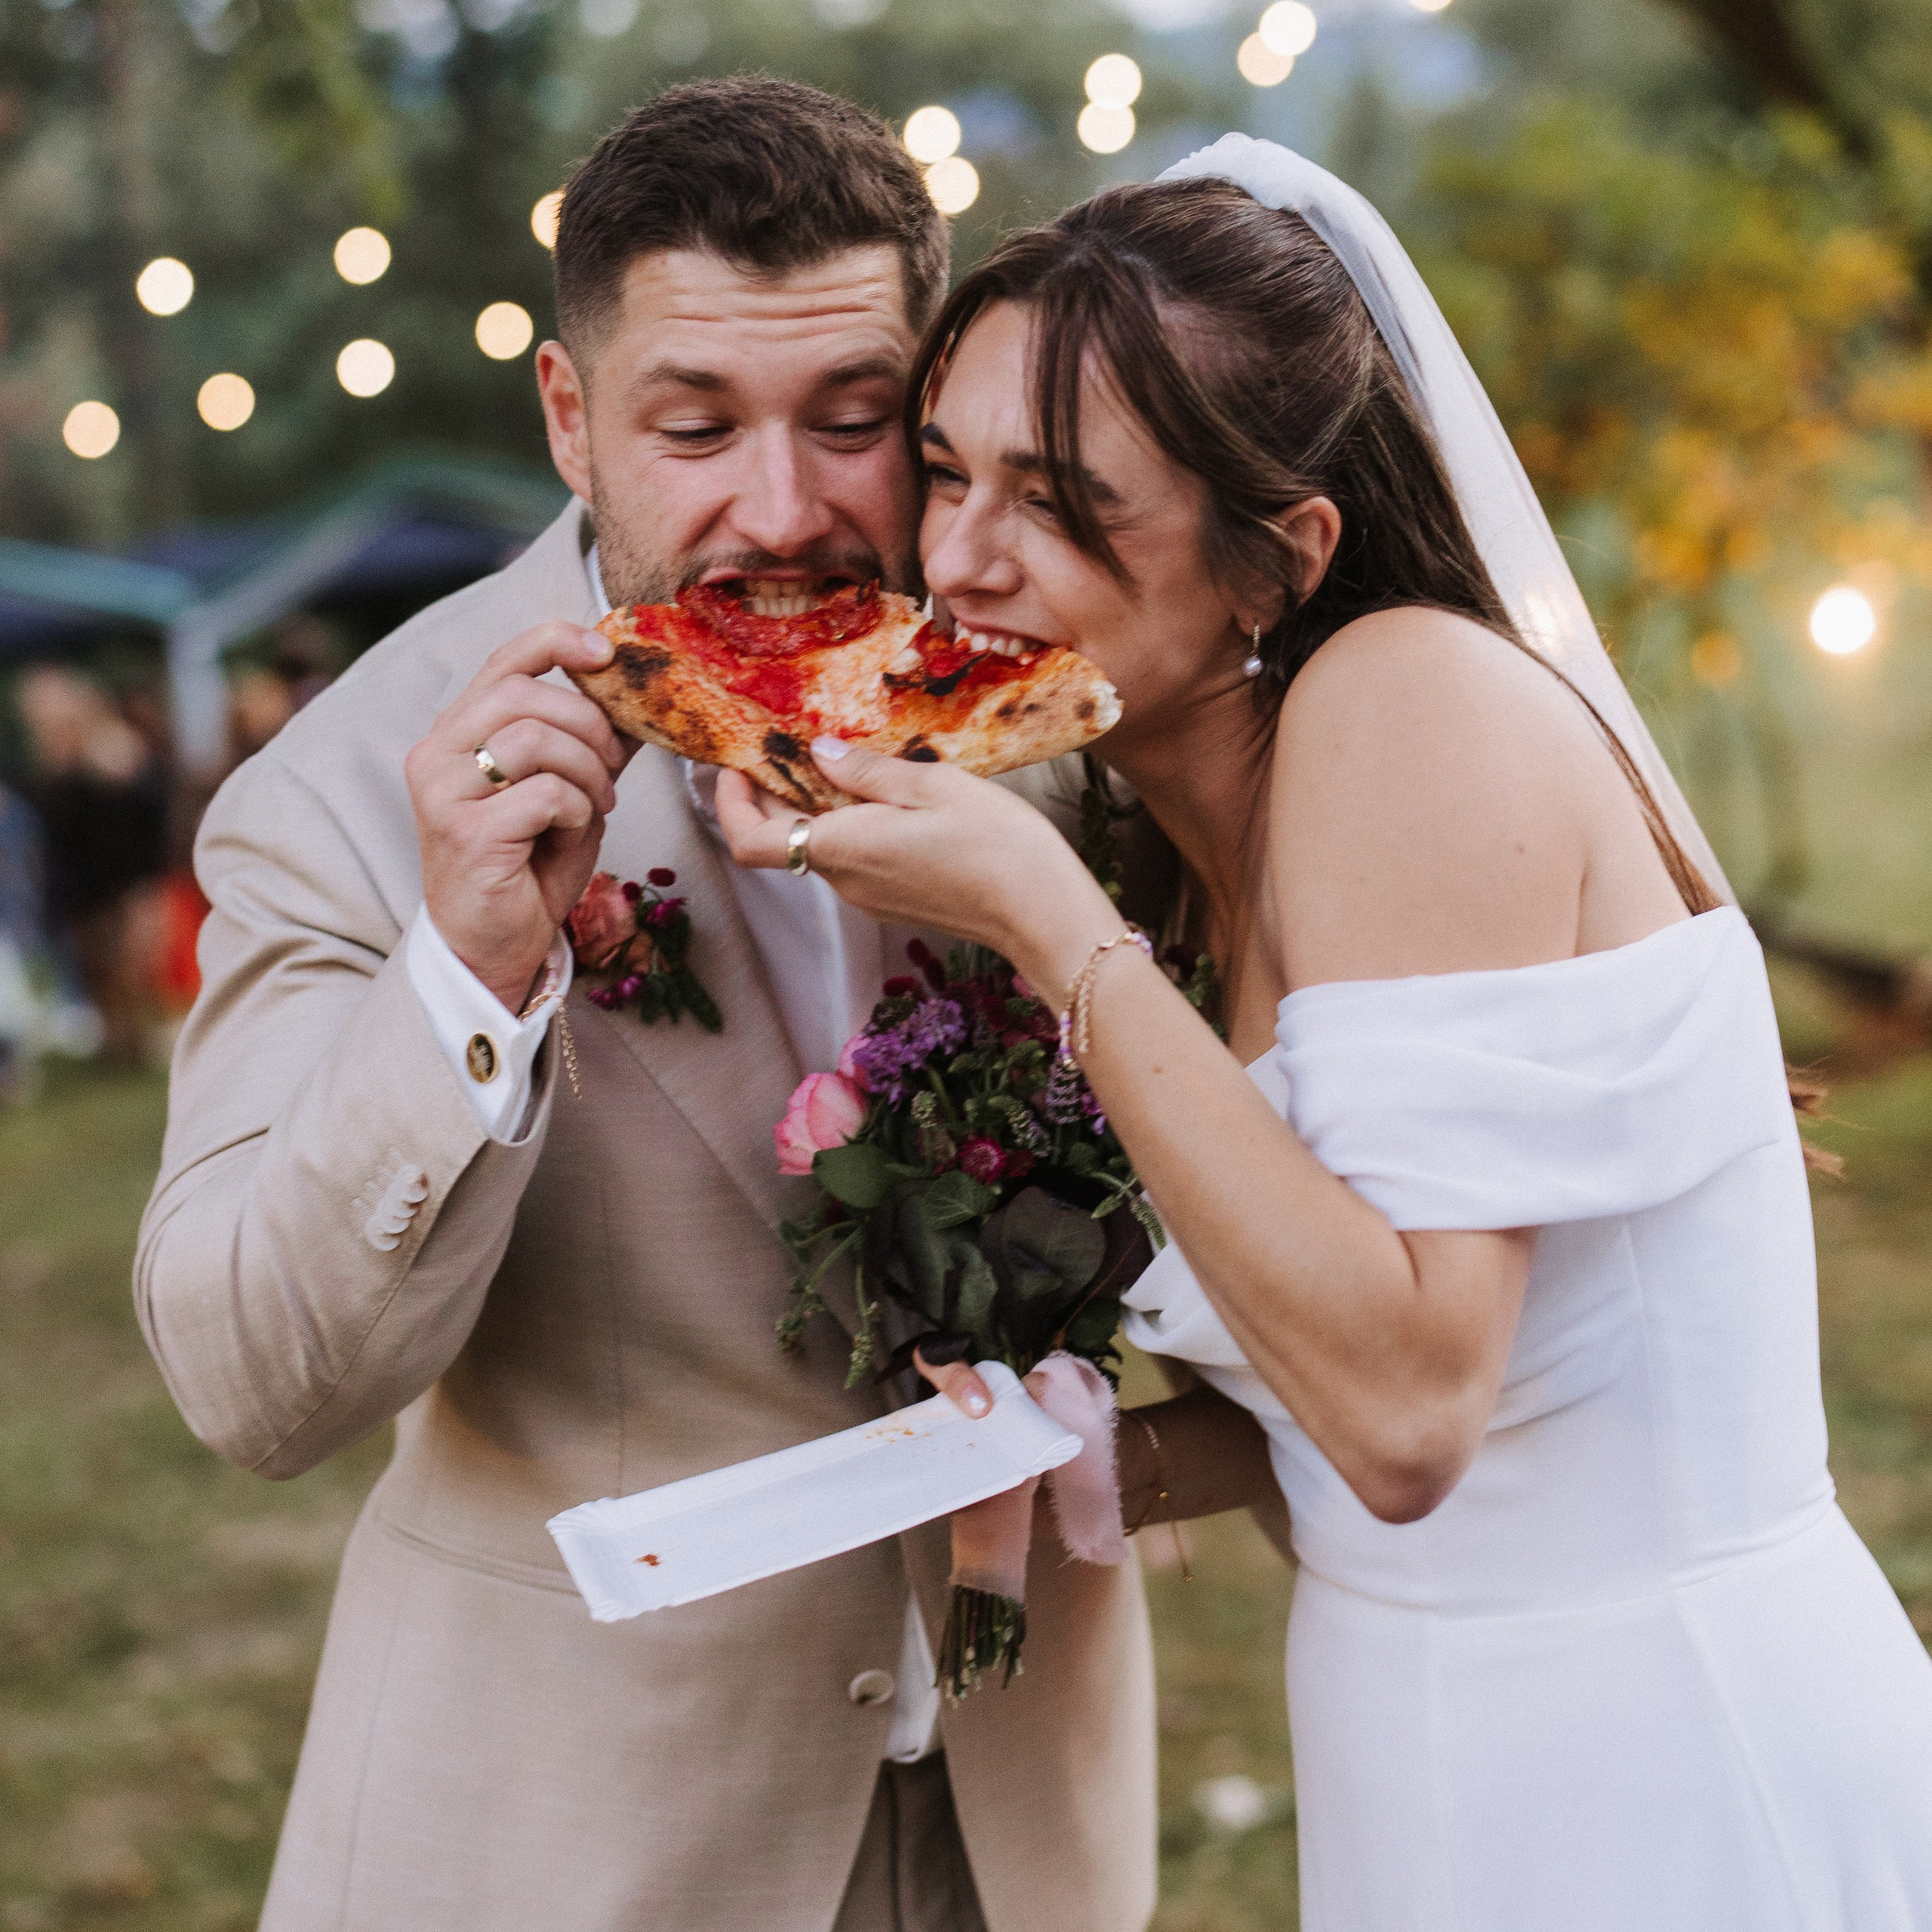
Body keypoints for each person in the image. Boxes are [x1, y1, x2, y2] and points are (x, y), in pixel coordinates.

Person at [717, 136, 1932, 1930]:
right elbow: (1369, 1410)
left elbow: (1410, 1408)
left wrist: (1052, 935)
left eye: (1058, 503)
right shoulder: (1186, 849)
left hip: (1657, 1759)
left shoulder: (1406, 704)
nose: (955, 559)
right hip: (1418, 1743)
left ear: (1277, 564)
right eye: (949, 468)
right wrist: (1071, 1455)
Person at [136, 81, 1156, 1932]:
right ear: (567, 418)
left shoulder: (1050, 720)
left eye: (852, 423)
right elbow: (250, 1386)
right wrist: (466, 970)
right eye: (692, 425)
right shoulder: (349, 785)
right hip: (583, 1843)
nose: (779, 509)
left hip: (1023, 1822)